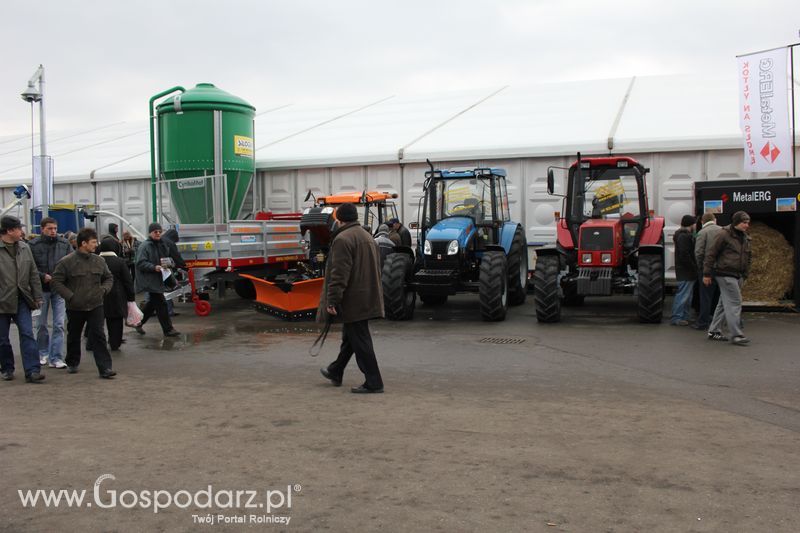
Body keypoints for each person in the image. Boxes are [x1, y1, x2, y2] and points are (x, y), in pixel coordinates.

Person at [318, 203, 385, 393]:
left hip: (354, 299)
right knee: (351, 339)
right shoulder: (366, 236)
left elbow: (339, 274)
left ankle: (374, 382)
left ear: (339, 219)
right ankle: (336, 370)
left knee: (360, 341)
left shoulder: (342, 239)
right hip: (367, 295)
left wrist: (332, 300)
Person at [51, 227, 117, 378]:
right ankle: (73, 362)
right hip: (75, 306)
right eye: (93, 242)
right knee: (74, 335)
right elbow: (56, 281)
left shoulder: (99, 261)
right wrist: (70, 296)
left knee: (99, 335)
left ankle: (105, 368)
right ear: (83, 243)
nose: (96, 245)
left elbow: (109, 277)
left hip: (96, 304)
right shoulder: (66, 262)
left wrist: (104, 290)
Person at [0, 216, 45, 383]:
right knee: (2, 339)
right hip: (2, 301)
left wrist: (37, 295)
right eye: (19, 229)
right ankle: (7, 368)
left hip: (22, 299)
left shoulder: (25, 248)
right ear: (9, 231)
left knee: (27, 333)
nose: (22, 232)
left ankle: (32, 370)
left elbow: (33, 273)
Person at [703, 211, 752, 346]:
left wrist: (745, 274)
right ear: (736, 222)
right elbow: (711, 254)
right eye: (744, 222)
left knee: (723, 304)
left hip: (738, 275)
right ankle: (736, 335)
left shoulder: (745, 237)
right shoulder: (723, 234)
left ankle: (714, 331)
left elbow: (748, 257)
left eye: (748, 222)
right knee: (735, 302)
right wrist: (706, 274)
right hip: (725, 274)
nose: (746, 225)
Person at [29, 217, 72, 368]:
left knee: (59, 324)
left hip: (59, 289)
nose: (53, 231)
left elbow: (71, 263)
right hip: (40, 289)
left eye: (55, 228)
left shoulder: (64, 244)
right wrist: (43, 276)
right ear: (42, 229)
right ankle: (42, 353)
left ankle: (56, 357)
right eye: (50, 228)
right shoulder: (33, 245)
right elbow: (30, 266)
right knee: (41, 324)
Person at [134, 223, 180, 337]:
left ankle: (138, 322)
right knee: (161, 303)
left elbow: (167, 258)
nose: (158, 233)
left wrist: (170, 263)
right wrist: (154, 267)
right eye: (155, 232)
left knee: (153, 304)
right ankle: (168, 329)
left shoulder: (162, 244)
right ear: (150, 233)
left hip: (159, 278)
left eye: (160, 231)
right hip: (149, 279)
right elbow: (140, 263)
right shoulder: (145, 246)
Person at [98, 239, 135, 351]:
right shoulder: (119, 262)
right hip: (116, 295)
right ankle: (115, 343)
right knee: (116, 321)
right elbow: (127, 281)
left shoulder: (95, 260)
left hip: (98, 295)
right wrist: (131, 297)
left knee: (96, 321)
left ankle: (92, 343)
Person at [693, 212, 722, 330]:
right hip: (722, 269)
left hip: (707, 270)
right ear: (715, 220)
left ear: (702, 222)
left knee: (705, 297)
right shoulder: (723, 230)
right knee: (720, 297)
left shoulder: (702, 232)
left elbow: (699, 252)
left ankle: (703, 323)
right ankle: (719, 321)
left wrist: (701, 268)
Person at [670, 215, 697, 326]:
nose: (696, 225)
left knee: (687, 295)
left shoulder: (681, 235)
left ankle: (684, 316)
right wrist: (693, 267)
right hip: (685, 271)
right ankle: (677, 317)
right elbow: (684, 254)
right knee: (683, 295)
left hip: (685, 270)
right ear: (690, 224)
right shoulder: (684, 237)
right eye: (694, 223)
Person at [161, 228, 187, 317]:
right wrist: (184, 266)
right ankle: (169, 311)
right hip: (164, 269)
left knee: (154, 291)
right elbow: (176, 256)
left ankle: (155, 310)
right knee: (167, 289)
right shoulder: (169, 243)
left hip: (156, 268)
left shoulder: (161, 239)